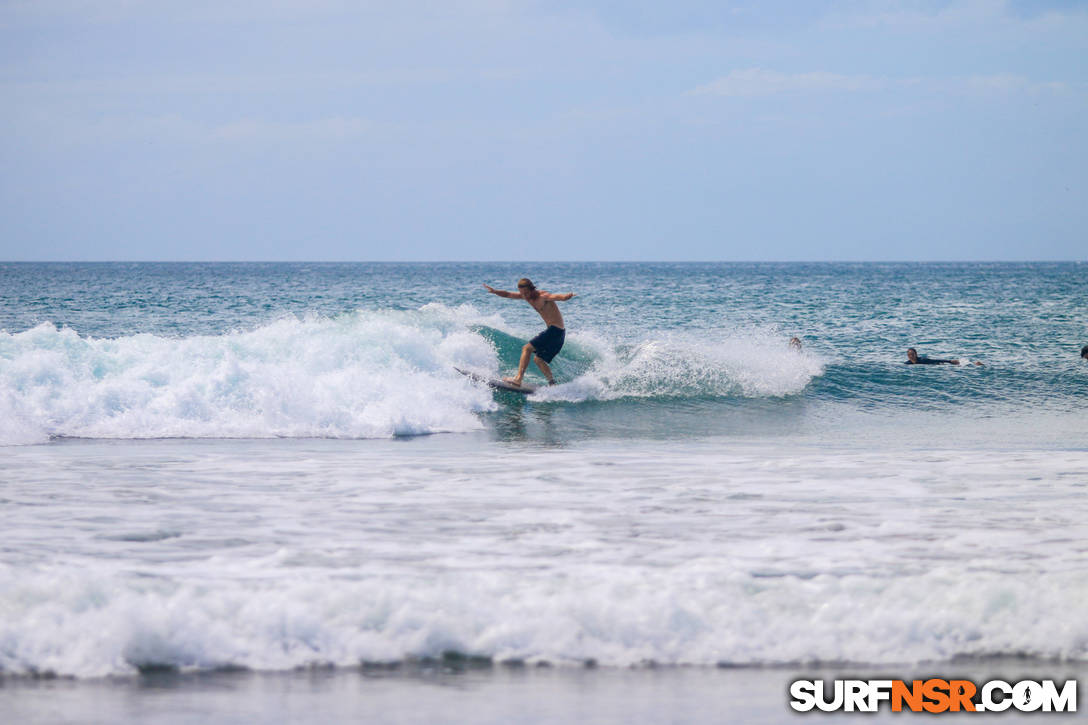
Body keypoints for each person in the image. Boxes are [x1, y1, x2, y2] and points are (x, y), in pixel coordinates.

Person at [483, 278, 575, 387]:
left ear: (532, 289)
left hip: (556, 330)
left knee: (526, 348)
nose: (524, 296)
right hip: (557, 333)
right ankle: (552, 383)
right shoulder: (526, 296)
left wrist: (566, 297)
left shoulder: (543, 296)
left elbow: (556, 297)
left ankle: (518, 379)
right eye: (522, 293)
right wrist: (495, 291)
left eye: (526, 292)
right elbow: (508, 294)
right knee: (538, 359)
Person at [905, 348, 983, 366]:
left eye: (912, 354)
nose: (911, 356)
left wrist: (949, 361)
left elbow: (934, 360)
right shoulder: (908, 363)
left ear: (916, 354)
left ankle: (974, 363)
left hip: (939, 364)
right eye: (909, 355)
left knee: (958, 365)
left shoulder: (922, 360)